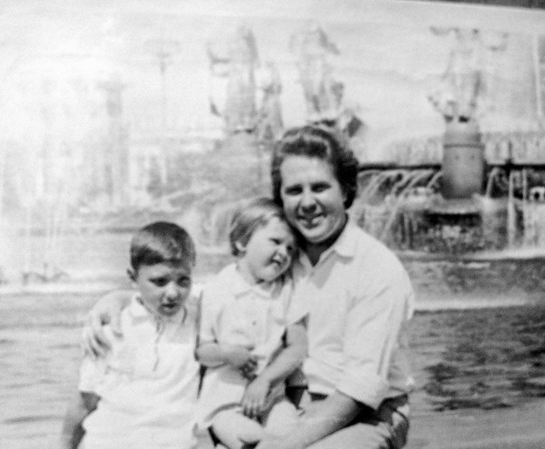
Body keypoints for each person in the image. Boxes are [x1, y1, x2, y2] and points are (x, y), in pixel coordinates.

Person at [83, 125, 415, 449]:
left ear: (345, 190)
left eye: (320, 187)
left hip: (361, 415)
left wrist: (282, 445)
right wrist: (121, 298)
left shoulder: (377, 270)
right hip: (278, 403)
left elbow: (358, 393)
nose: (307, 202)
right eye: (294, 191)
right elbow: (213, 296)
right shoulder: (281, 257)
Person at [58, 222, 200, 449]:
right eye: (160, 281)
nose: (173, 292)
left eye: (183, 280)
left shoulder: (199, 324)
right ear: (133, 278)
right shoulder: (112, 328)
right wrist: (64, 444)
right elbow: (85, 402)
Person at [196, 197, 307, 449]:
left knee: (291, 434)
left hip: (273, 399)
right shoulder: (217, 290)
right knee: (250, 438)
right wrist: (227, 354)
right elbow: (202, 351)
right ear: (242, 242)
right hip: (226, 405)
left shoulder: (287, 290)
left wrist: (265, 380)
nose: (284, 253)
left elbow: (298, 347)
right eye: (276, 242)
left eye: (290, 249)